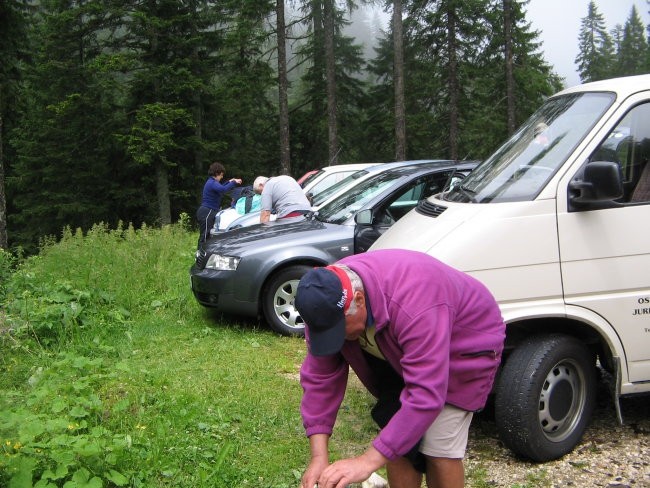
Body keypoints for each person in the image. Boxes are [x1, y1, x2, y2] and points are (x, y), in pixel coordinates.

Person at [294, 249, 506, 488]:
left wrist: (366, 462)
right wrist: (319, 458)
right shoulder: (324, 303)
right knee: (396, 436)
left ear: (360, 300)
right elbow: (320, 379)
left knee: (438, 446)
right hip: (401, 346)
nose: (338, 339)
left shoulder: (416, 302)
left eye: (339, 330)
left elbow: (426, 394)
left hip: (464, 342)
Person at [196, 162, 242, 245]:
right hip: (207, 212)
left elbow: (221, 187)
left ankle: (206, 255)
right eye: (221, 175)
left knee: (209, 236)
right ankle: (200, 256)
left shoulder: (213, 182)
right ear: (216, 173)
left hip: (209, 211)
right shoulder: (211, 183)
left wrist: (229, 181)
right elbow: (223, 190)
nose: (222, 177)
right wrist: (233, 183)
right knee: (205, 236)